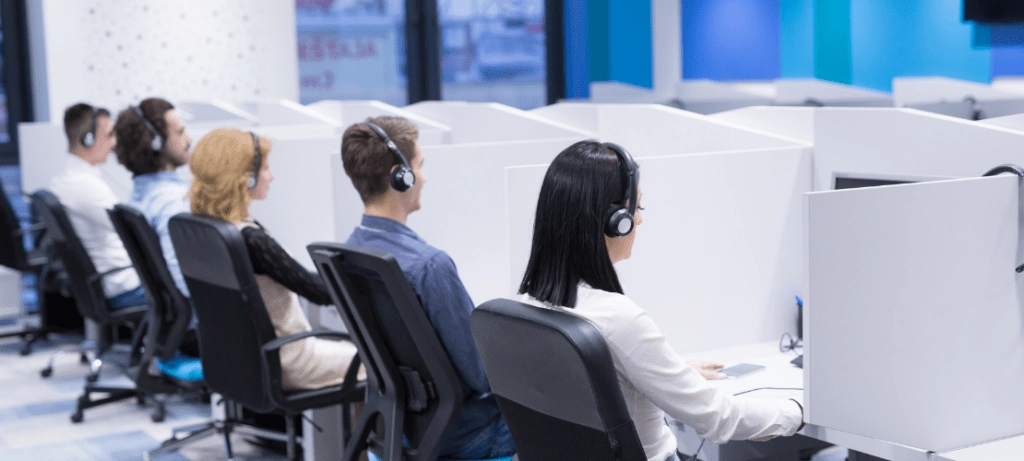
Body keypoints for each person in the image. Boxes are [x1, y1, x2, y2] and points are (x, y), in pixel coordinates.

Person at [517, 141, 804, 461]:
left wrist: (670, 371)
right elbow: (719, 419)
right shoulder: (617, 319)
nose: (638, 221)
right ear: (616, 221)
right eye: (636, 208)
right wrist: (800, 410)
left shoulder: (527, 306)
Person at [341, 117, 515, 459]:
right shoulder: (429, 267)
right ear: (400, 176)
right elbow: (481, 375)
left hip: (401, 427)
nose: (424, 176)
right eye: (419, 165)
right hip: (466, 434)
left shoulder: (350, 251)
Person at [188, 128, 358, 390]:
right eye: (265, 168)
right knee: (379, 364)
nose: (271, 175)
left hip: (243, 358)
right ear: (246, 179)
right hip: (292, 360)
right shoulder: (251, 240)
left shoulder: (207, 228)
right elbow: (318, 293)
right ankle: (366, 433)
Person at [49, 103, 144, 310]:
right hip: (124, 287)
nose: (114, 143)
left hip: (107, 283)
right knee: (187, 290)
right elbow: (136, 234)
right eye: (109, 135)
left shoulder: (66, 178)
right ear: (88, 139)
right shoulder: (85, 185)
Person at [114, 97, 193, 297]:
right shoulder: (172, 203)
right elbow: (183, 284)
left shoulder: (141, 193)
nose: (189, 139)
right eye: (181, 132)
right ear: (156, 142)